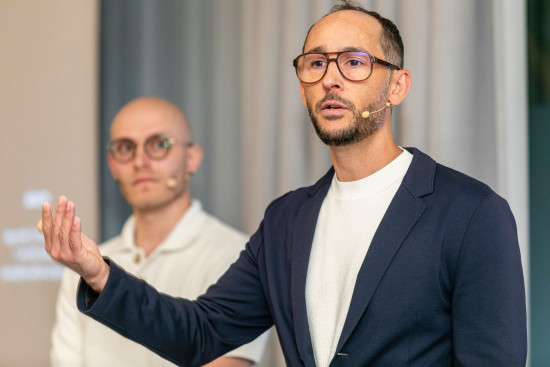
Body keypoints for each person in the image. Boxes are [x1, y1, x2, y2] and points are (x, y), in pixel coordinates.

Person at [41, 1, 527, 366]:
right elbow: (200, 332)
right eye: (315, 64)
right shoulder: (286, 221)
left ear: (396, 85)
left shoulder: (471, 213)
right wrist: (98, 272)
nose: (331, 79)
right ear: (301, 87)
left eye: (354, 62)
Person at [49, 96, 269, 367]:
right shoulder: (85, 264)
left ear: (192, 158)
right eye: (126, 147)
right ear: (112, 164)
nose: (140, 161)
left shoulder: (239, 256)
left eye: (158, 144)